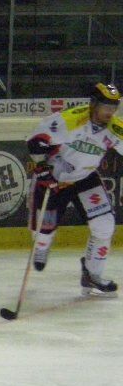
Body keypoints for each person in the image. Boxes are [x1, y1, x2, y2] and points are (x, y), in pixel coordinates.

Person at [26, 82, 123, 295]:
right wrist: (42, 169)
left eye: (114, 107)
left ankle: (91, 275)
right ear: (93, 104)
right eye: (106, 107)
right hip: (55, 179)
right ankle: (42, 246)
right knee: (42, 233)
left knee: (105, 225)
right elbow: (35, 141)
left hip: (85, 178)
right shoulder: (69, 120)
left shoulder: (115, 129)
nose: (110, 112)